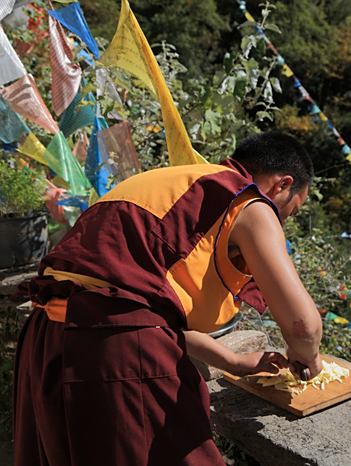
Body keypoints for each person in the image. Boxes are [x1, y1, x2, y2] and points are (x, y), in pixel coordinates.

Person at [13, 131, 323, 466]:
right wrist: (308, 358)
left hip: (47, 337)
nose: (284, 221)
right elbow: (302, 326)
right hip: (114, 347)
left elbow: (146, 307)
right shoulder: (247, 201)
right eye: (292, 209)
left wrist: (231, 362)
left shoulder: (173, 182)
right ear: (281, 184)